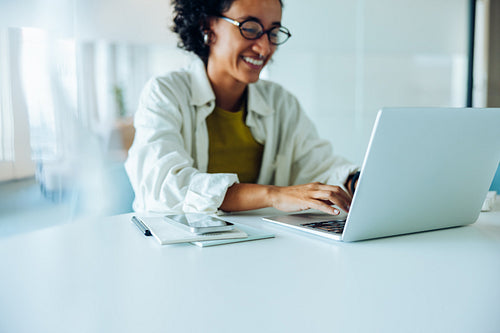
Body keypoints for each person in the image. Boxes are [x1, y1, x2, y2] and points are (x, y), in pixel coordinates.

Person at [125, 0, 360, 216]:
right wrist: (273, 195)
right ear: (208, 26)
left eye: (273, 33)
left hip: (253, 247)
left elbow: (318, 166)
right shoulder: (165, 93)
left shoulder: (280, 101)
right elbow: (164, 186)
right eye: (250, 28)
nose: (264, 48)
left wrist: (356, 181)